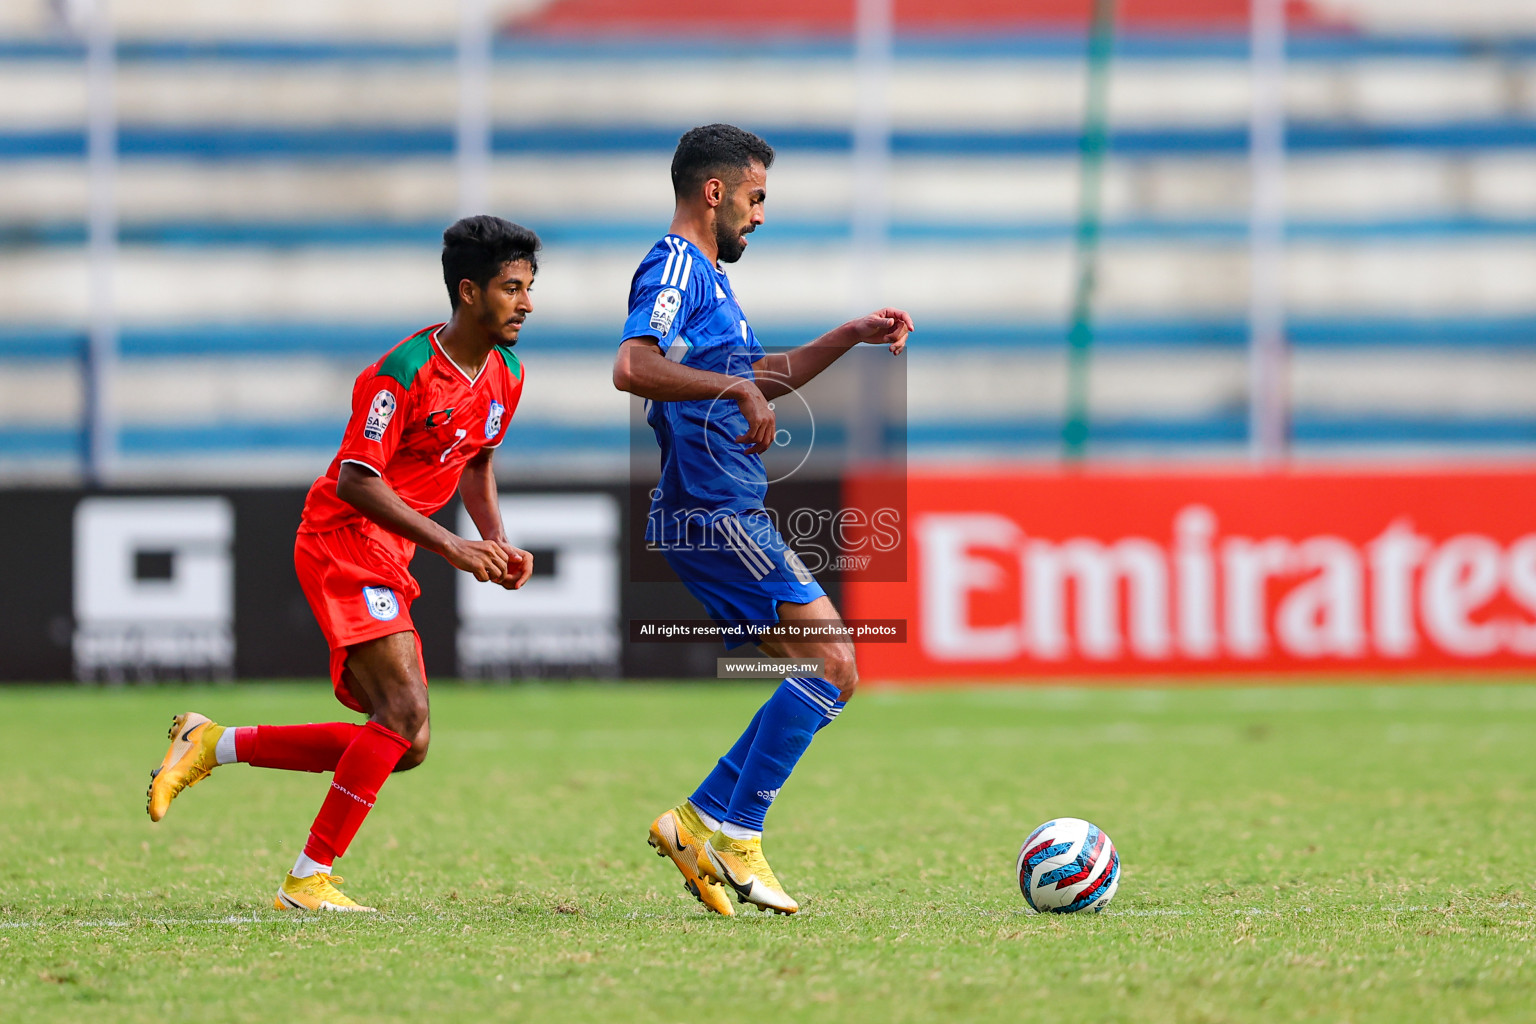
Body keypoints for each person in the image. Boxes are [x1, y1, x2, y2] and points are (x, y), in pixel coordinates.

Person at [144, 215, 539, 912]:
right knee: (405, 709)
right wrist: (452, 546)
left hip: (391, 550)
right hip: (343, 537)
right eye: (512, 288)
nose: (527, 304)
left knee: (405, 740)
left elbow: (476, 459)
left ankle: (212, 743)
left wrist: (497, 540)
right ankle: (306, 879)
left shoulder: (507, 373)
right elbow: (358, 479)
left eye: (530, 288)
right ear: (470, 292)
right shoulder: (401, 374)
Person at [613, 124, 913, 915]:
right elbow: (633, 366)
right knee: (836, 665)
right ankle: (738, 836)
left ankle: (694, 820)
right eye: (756, 197)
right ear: (714, 193)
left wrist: (846, 336)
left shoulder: (710, 279)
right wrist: (734, 391)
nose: (761, 215)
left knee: (822, 669)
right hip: (714, 510)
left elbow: (756, 379)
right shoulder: (674, 264)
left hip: (721, 506)